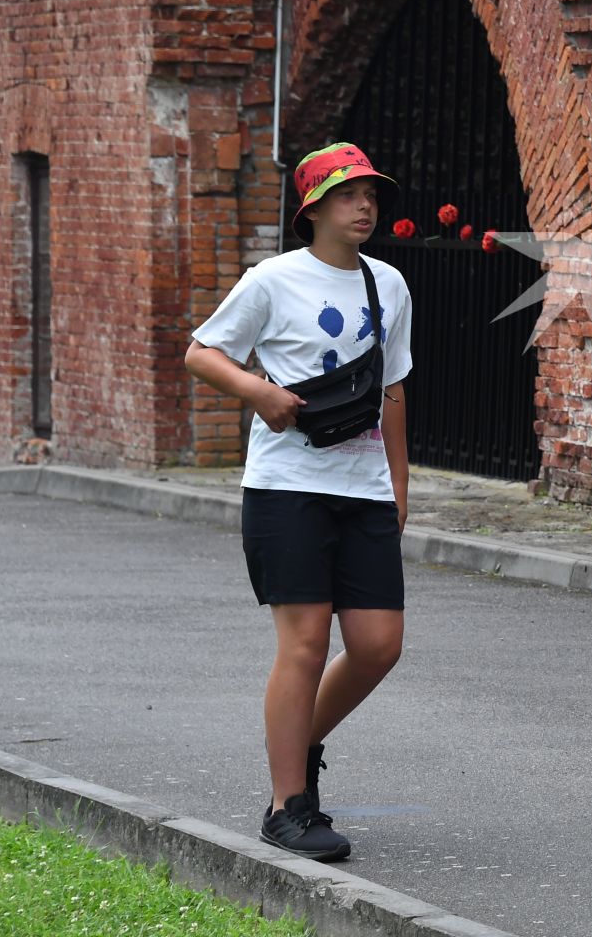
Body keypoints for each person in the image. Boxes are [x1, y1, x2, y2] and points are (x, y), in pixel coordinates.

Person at [184, 142, 413, 862]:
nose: (365, 205)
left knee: (378, 645)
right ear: (313, 208)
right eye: (349, 195)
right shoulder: (273, 280)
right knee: (307, 641)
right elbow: (202, 352)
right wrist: (257, 392)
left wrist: (399, 488)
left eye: (372, 194)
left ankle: (300, 739)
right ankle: (288, 804)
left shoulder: (390, 285)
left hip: (364, 490)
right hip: (287, 489)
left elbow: (394, 389)